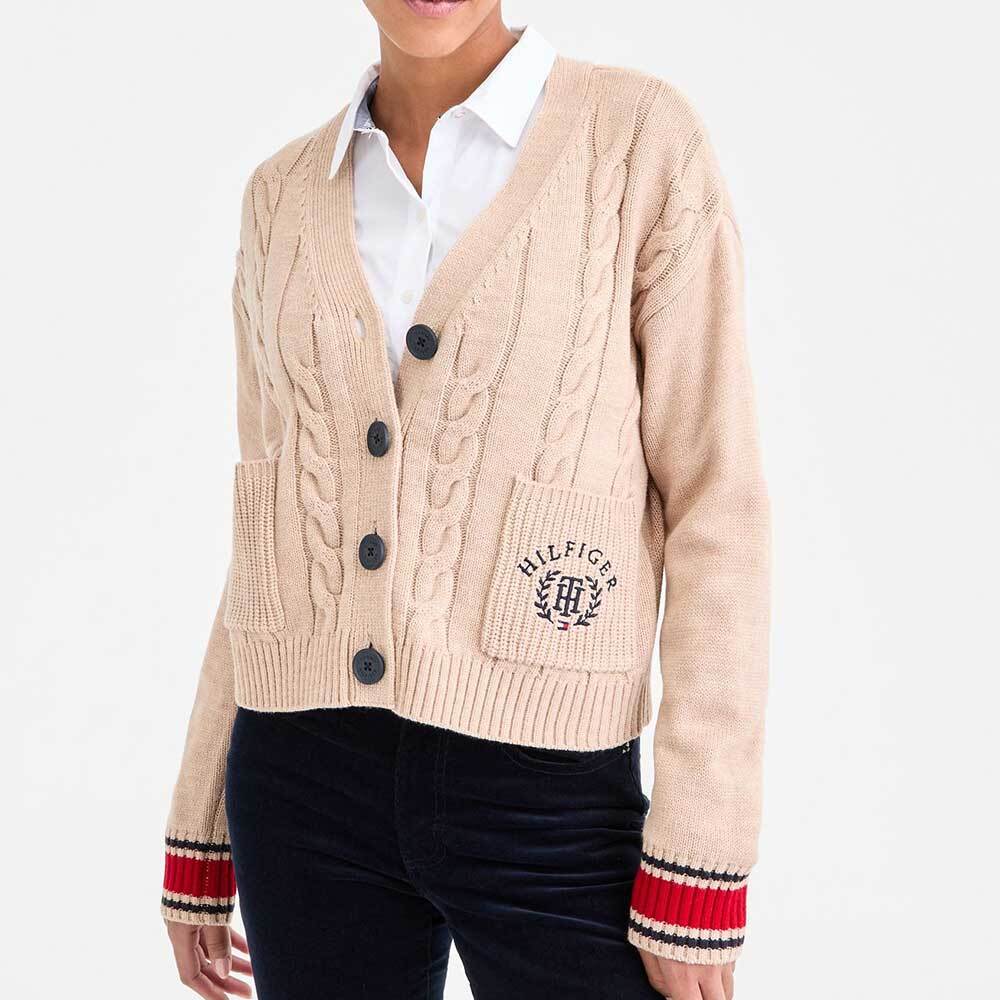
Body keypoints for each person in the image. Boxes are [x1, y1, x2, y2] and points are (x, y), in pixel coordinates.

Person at [161, 2, 770, 998]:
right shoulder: (280, 198)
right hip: (301, 783)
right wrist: (203, 819)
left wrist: (702, 850)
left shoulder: (638, 144)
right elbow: (269, 531)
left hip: (552, 796)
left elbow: (717, 501)